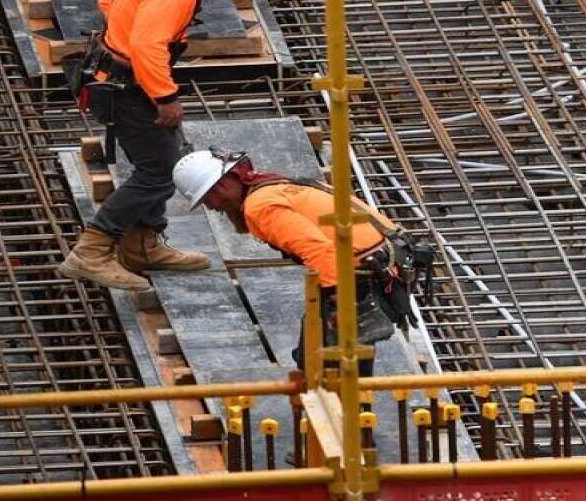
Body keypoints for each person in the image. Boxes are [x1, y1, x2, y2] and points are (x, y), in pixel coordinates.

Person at [59, 0, 277, 292]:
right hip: (131, 87)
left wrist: (126, 31)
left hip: (112, 76)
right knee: (157, 173)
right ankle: (91, 250)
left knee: (165, 161)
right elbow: (148, 46)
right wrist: (165, 98)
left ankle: (142, 244)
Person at [172, 148, 431, 375]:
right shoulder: (275, 187)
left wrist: (337, 301)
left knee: (322, 359)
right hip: (383, 262)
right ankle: (354, 410)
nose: (211, 207)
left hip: (361, 272)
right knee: (335, 355)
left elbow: (321, 252)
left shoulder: (260, 206)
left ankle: (349, 418)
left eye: (207, 199)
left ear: (221, 186)